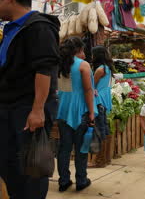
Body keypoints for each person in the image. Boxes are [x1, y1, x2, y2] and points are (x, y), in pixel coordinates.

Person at [0, 0, 59, 199]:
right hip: (9, 106)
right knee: (8, 164)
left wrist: (37, 109)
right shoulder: (12, 29)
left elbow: (45, 69)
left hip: (26, 108)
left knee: (30, 165)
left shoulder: (39, 27)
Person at [56, 37, 97, 192]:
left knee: (64, 148)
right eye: (82, 51)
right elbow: (87, 90)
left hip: (62, 110)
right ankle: (81, 180)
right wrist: (92, 112)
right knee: (81, 148)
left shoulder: (58, 64)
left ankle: (63, 181)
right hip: (81, 111)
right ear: (78, 50)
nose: (84, 54)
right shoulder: (83, 65)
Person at [91, 46, 114, 167]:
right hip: (105, 100)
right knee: (104, 127)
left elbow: (91, 85)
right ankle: (106, 158)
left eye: (93, 54)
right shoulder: (108, 68)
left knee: (99, 128)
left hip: (98, 100)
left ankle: (99, 160)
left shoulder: (100, 70)